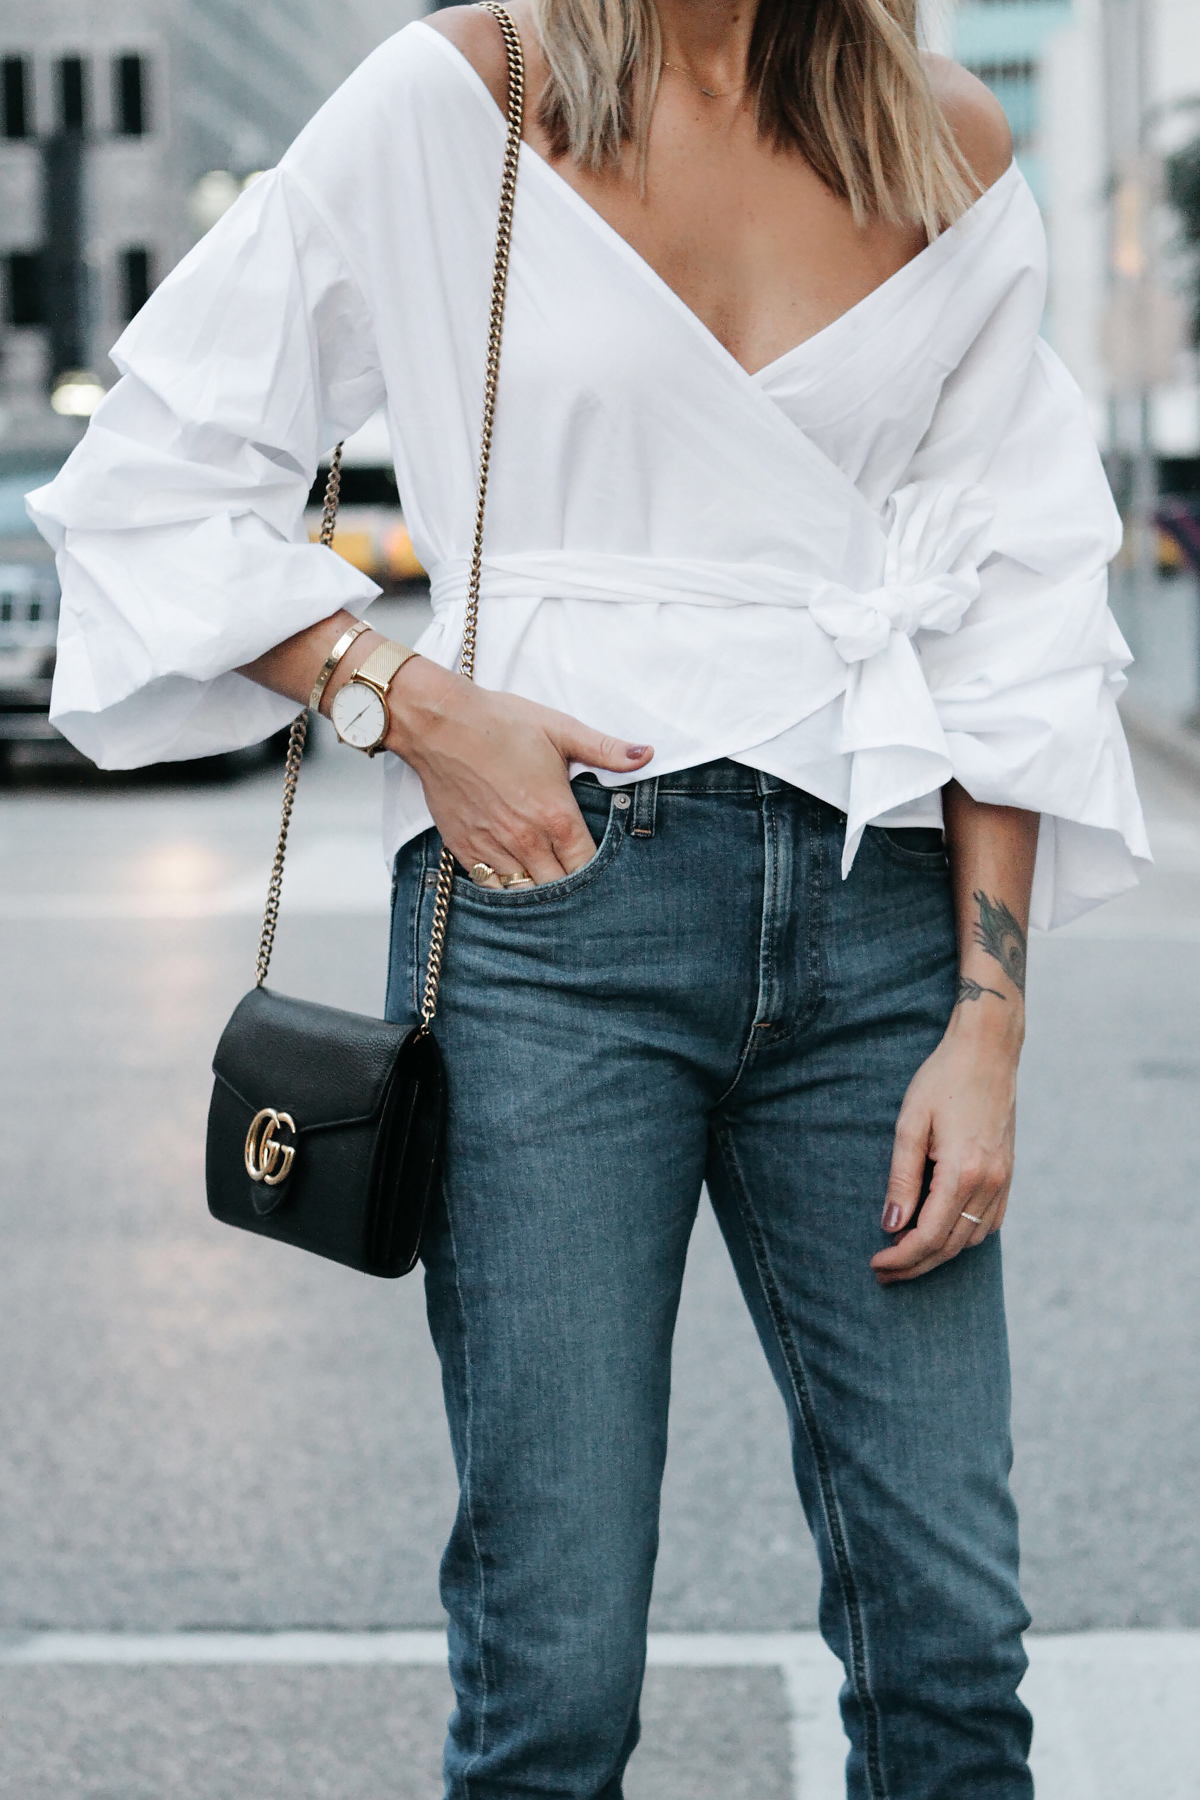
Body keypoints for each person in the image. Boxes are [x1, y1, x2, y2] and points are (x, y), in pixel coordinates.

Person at [29, 1, 1148, 1794]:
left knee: (952, 1655)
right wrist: (406, 700)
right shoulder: (460, 100)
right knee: (554, 1676)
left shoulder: (943, 141)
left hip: (880, 925)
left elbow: (1013, 601)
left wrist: (990, 1018)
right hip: (551, 921)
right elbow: (150, 489)